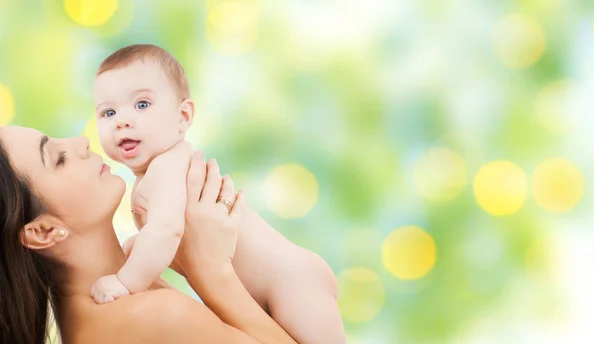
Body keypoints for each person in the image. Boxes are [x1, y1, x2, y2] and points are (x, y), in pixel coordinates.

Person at [91, 44, 346, 343]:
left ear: (183, 116)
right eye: (109, 112)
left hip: (292, 284)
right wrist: (138, 244)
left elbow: (167, 230)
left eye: (142, 104)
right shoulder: (159, 171)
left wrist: (126, 282)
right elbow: (170, 234)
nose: (122, 120)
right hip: (272, 289)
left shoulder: (167, 167)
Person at [0, 125, 300, 344]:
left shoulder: (126, 285)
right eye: (58, 159)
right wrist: (210, 271)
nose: (80, 142)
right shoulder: (150, 316)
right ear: (43, 231)